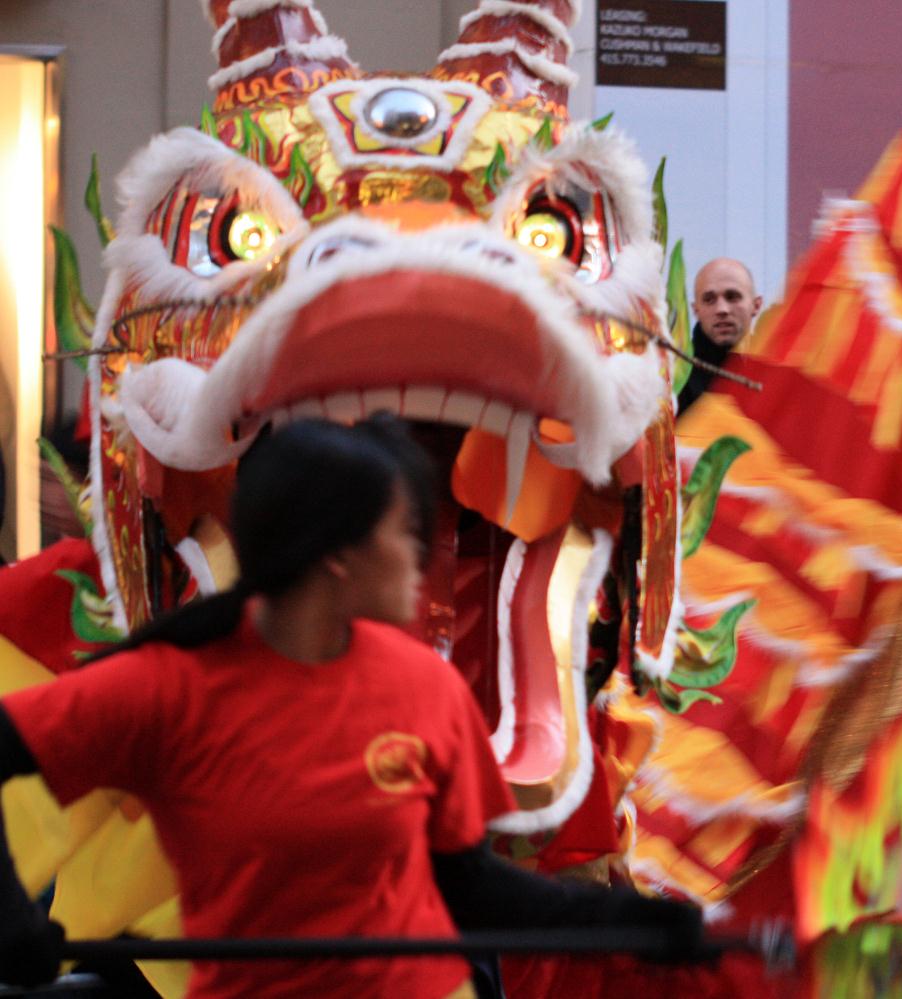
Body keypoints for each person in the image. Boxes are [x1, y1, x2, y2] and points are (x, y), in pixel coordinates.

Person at [0, 416, 700, 997]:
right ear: (337, 554)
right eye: (403, 533)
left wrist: (620, 920)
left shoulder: (423, 687)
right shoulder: (171, 684)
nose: (421, 557)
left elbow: (464, 882)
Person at [677, 257, 763, 414]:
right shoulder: (675, 381)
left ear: (756, 305)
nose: (722, 309)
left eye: (732, 297)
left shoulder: (777, 380)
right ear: (696, 310)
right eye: (709, 300)